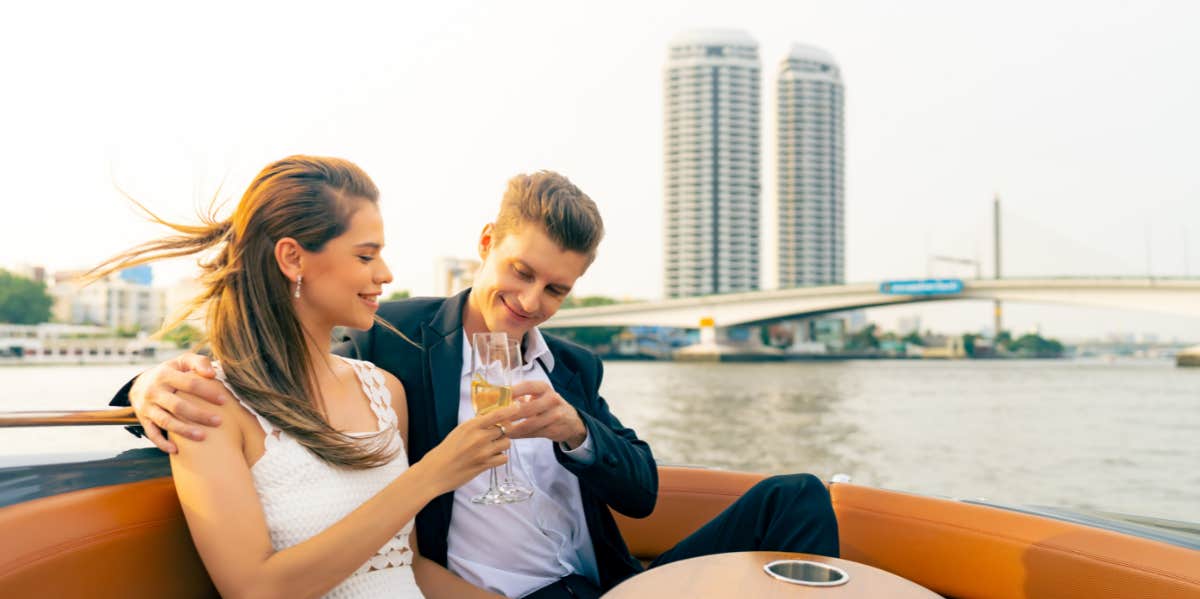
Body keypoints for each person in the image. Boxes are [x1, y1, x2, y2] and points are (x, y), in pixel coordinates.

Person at [114, 170, 840, 599]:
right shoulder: (390, 338)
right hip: (496, 594)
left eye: (556, 289)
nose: (530, 300)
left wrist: (577, 432)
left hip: (601, 587)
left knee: (799, 497)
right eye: (521, 272)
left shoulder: (574, 369)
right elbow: (253, 371)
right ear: (487, 244)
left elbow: (642, 490)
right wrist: (144, 386)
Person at [95, 155, 517, 598]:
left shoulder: (384, 392)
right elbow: (255, 590)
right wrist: (428, 477)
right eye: (365, 255)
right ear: (293, 258)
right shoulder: (210, 406)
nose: (386, 274)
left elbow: (404, 567)